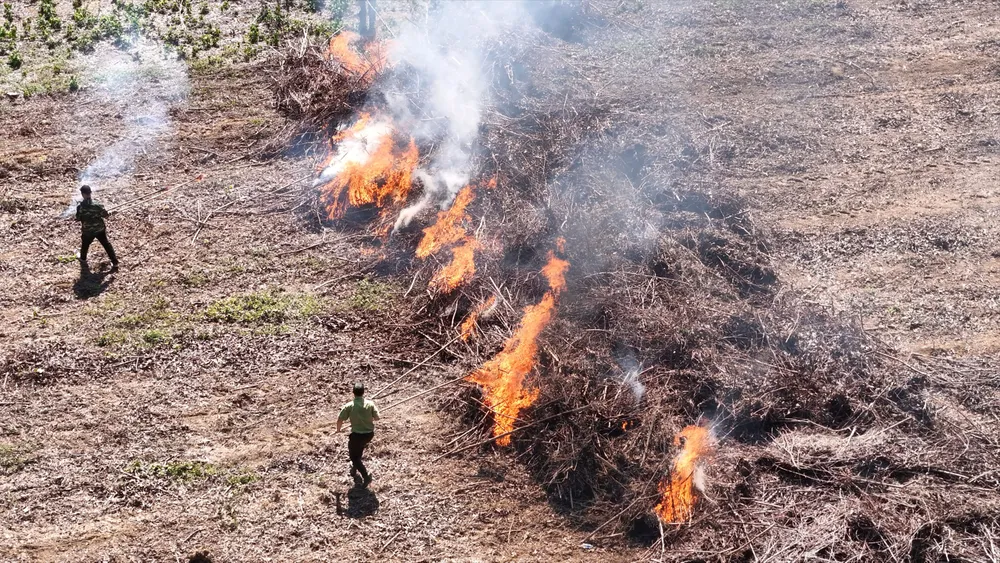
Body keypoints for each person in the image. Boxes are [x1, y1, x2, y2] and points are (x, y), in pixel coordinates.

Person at [336, 382, 380, 486]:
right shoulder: (370, 404)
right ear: (363, 392)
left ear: (353, 393)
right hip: (369, 434)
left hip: (357, 436)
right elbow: (377, 418)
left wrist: (338, 429)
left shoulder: (349, 406)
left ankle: (366, 476)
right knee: (358, 450)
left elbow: (340, 419)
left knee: (353, 457)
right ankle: (354, 469)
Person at [75, 185, 118, 272]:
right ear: (90, 193)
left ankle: (83, 259)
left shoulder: (80, 207)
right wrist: (111, 213)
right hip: (99, 229)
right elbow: (105, 215)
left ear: (83, 194)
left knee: (85, 245)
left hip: (87, 231)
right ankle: (115, 262)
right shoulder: (97, 204)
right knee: (106, 244)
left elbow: (78, 218)